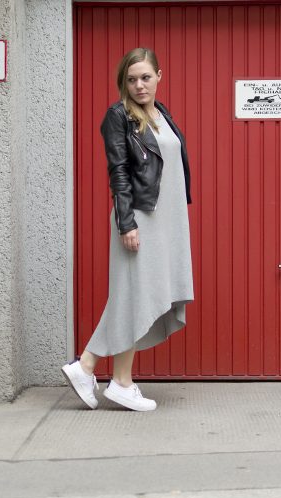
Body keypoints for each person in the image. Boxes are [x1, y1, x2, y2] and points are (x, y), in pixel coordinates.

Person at [61, 47, 194, 412]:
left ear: (159, 77)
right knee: (132, 296)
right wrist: (127, 222)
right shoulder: (118, 116)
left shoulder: (161, 114)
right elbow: (118, 172)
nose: (139, 85)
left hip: (165, 219)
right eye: (132, 79)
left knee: (136, 298)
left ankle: (116, 378)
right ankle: (93, 367)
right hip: (139, 217)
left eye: (146, 77)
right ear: (124, 82)